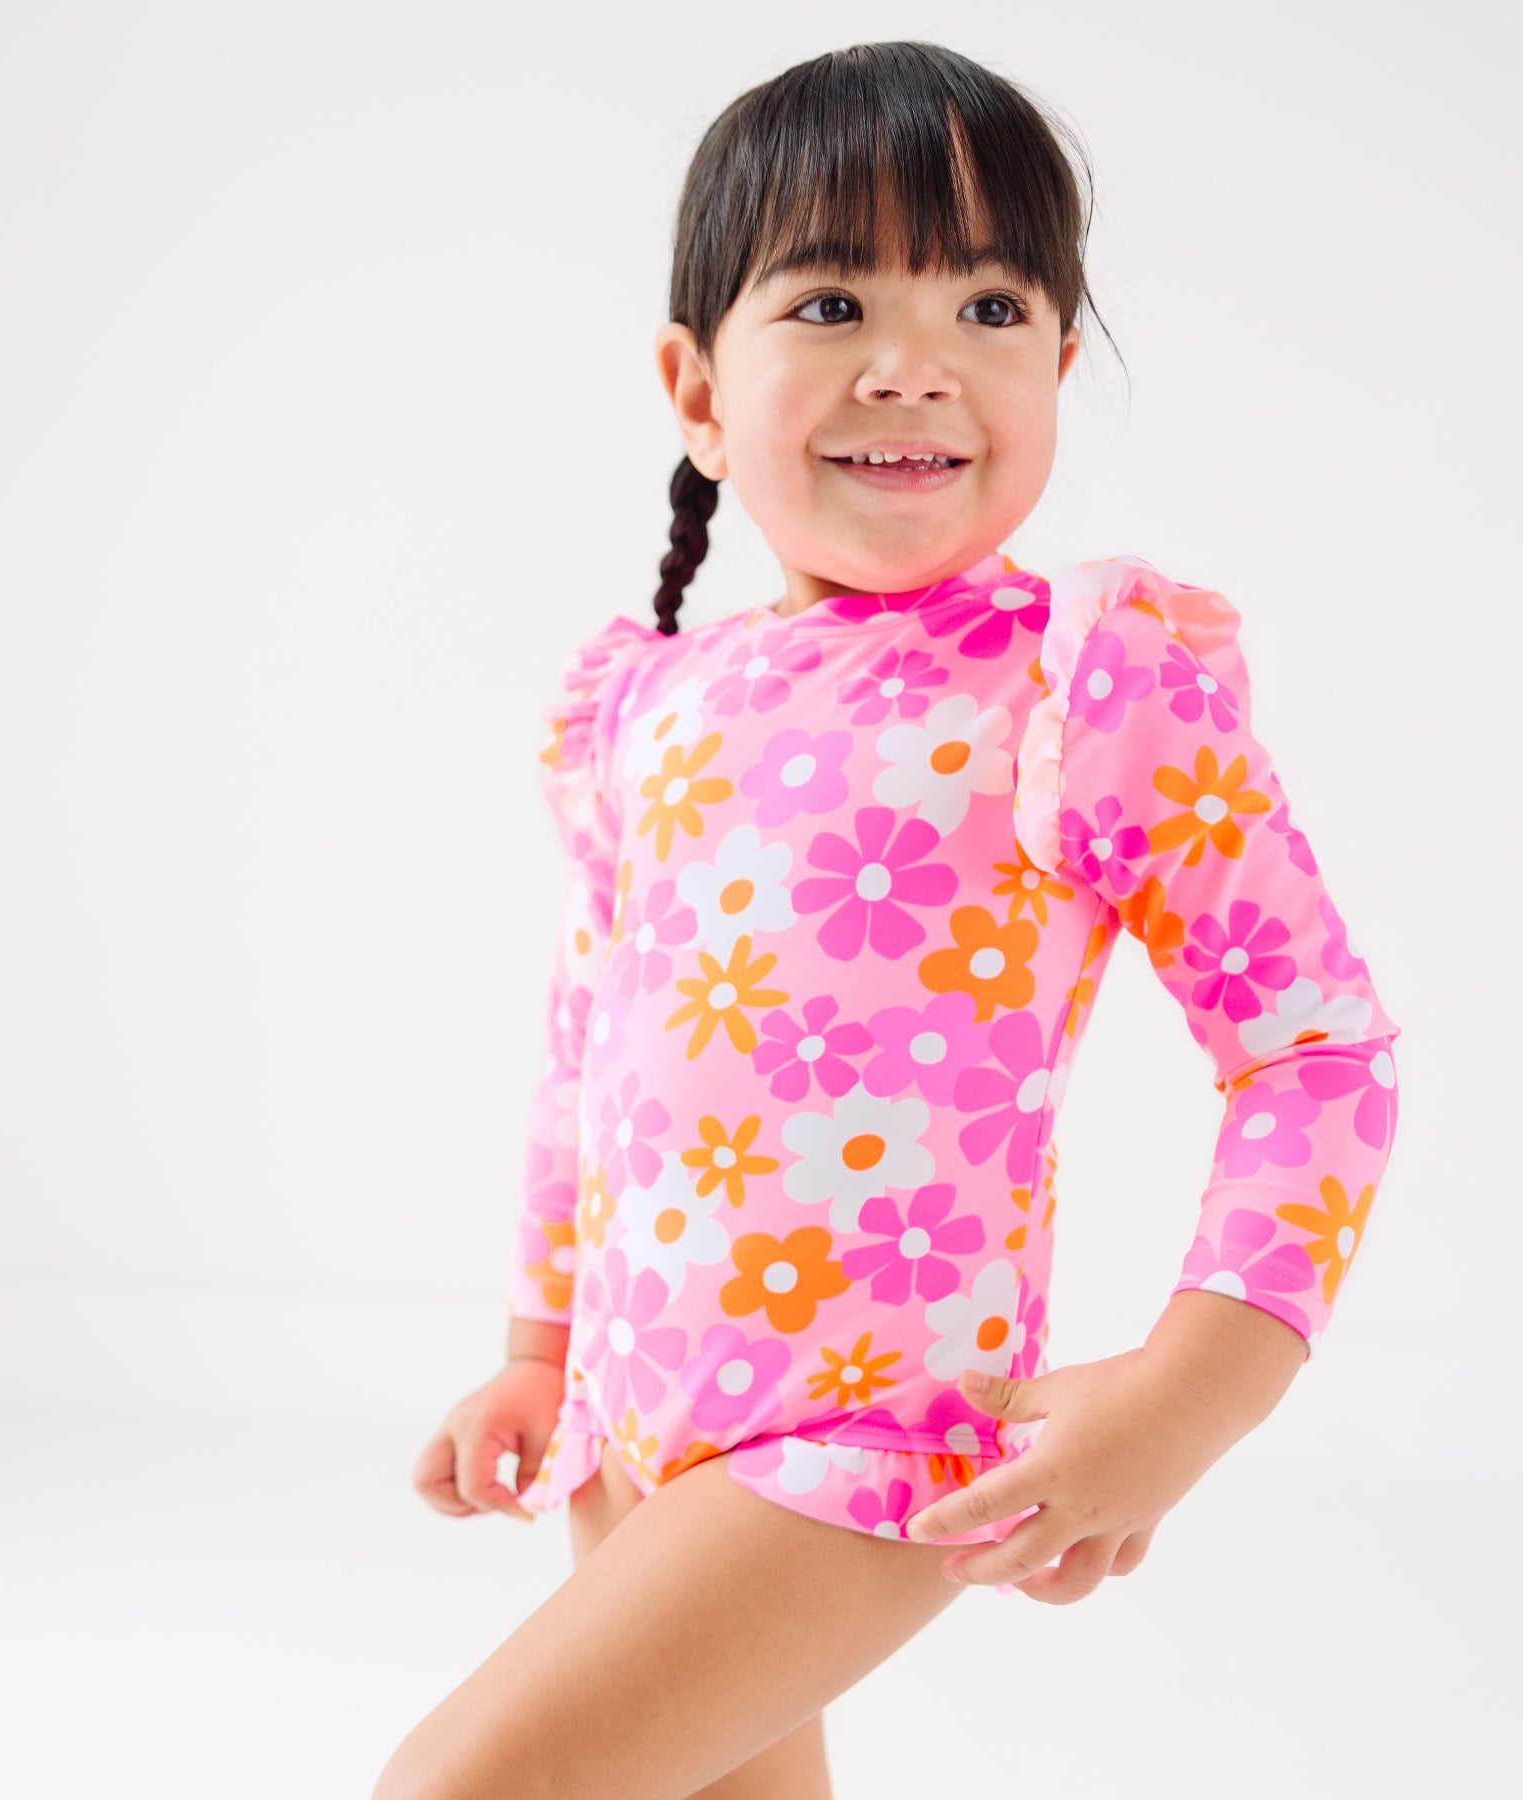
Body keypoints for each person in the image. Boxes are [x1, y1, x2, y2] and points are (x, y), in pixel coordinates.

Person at [379, 38, 1402, 1800]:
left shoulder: (1083, 685)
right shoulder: (649, 708)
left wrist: (1192, 1394)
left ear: (1062, 366)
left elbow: (1317, 1051)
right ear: (697, 390)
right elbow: (592, 1055)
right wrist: (538, 1353)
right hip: (635, 1409)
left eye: (992, 308)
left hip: (873, 1433)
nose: (915, 368)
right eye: (836, 299)